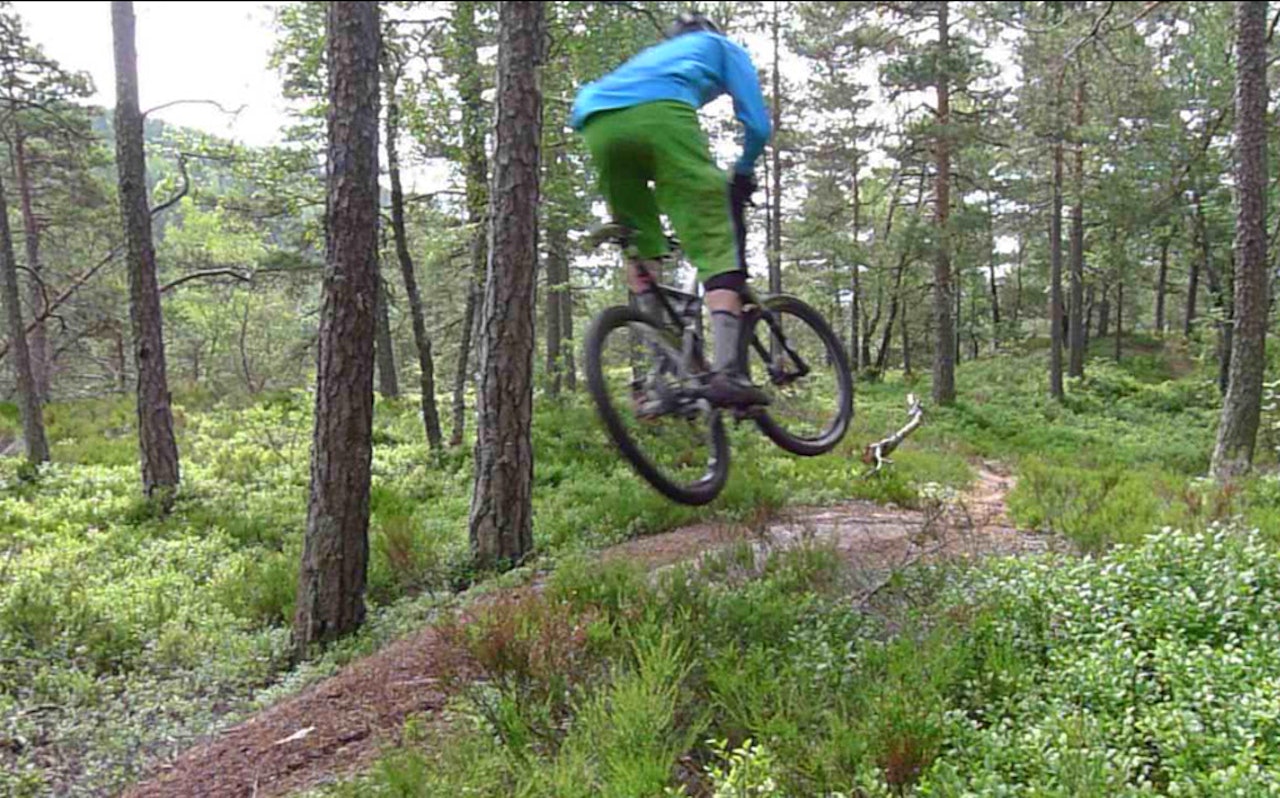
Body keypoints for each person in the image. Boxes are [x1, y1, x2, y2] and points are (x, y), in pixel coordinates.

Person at [572, 10, 772, 409]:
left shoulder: (653, 56)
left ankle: (664, 378)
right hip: (661, 114)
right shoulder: (721, 46)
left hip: (596, 123)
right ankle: (728, 375)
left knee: (640, 246)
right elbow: (758, 125)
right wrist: (744, 171)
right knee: (716, 239)